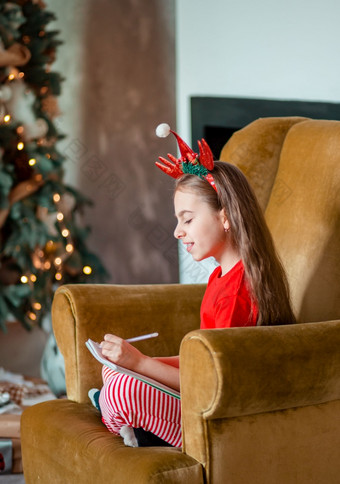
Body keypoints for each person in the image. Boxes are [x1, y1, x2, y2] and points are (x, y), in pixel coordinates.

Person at [94, 123, 296, 448]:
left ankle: (131, 425)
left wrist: (142, 366)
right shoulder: (220, 278)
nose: (177, 231)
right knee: (115, 373)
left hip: (217, 416)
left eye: (187, 219)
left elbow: (215, 382)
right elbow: (199, 364)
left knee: (122, 389)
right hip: (201, 392)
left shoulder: (239, 294)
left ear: (226, 217)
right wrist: (141, 362)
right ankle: (124, 414)